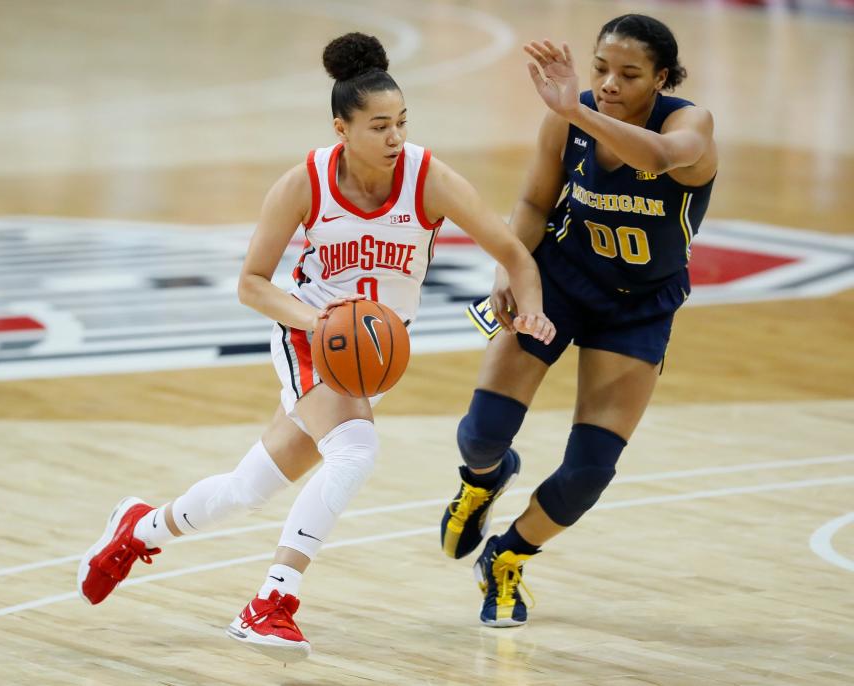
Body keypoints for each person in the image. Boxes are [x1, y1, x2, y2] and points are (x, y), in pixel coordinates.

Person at [76, 32, 556, 662]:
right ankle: (271, 602)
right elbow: (251, 284)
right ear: (342, 129)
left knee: (250, 488)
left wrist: (534, 310)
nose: (395, 137)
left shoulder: (427, 178)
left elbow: (515, 254)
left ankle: (137, 527)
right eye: (380, 125)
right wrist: (312, 320)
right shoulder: (303, 184)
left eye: (402, 123)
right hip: (310, 334)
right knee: (356, 452)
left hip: (376, 348)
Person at [439, 14, 717, 627]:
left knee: (590, 471)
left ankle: (507, 554)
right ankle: (484, 479)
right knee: (483, 434)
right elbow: (536, 201)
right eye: (600, 70)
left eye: (629, 74)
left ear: (662, 79)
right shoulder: (569, 118)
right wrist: (510, 269)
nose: (610, 83)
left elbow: (666, 157)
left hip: (637, 307)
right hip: (560, 281)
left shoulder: (688, 124)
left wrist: (579, 111)